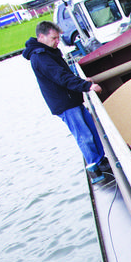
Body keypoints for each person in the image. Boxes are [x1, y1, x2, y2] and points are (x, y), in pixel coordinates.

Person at [23, 21, 111, 184]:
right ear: (41, 37)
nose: (57, 42)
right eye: (54, 38)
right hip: (65, 104)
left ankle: (101, 160)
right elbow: (61, 77)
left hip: (71, 100)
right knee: (84, 135)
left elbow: (65, 74)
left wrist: (82, 81)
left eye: (58, 38)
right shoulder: (40, 56)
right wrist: (87, 86)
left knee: (90, 129)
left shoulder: (49, 52)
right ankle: (96, 166)